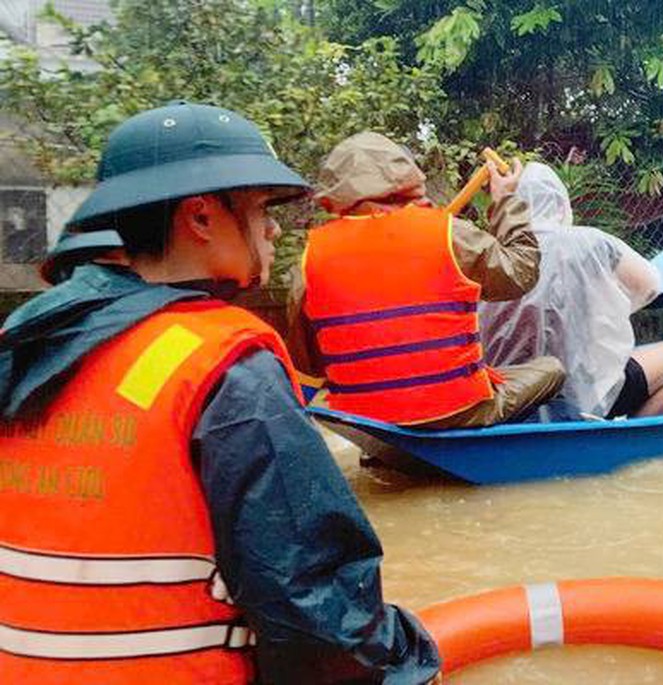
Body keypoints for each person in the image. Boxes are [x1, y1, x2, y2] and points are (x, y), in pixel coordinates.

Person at [0, 103, 440, 684]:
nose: (274, 230)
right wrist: (408, 652)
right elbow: (316, 615)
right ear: (202, 217)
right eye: (260, 209)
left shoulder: (25, 344)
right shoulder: (223, 364)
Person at [287, 133, 564, 429]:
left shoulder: (309, 257)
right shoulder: (448, 233)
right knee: (552, 369)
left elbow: (309, 364)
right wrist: (506, 199)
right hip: (456, 412)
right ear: (404, 176)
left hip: (361, 419)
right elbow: (521, 274)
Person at [478, 162, 663, 418]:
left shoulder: (488, 254)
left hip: (505, 398)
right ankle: (626, 446)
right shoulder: (590, 242)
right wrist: (606, 309)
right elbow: (650, 286)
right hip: (583, 395)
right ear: (562, 205)